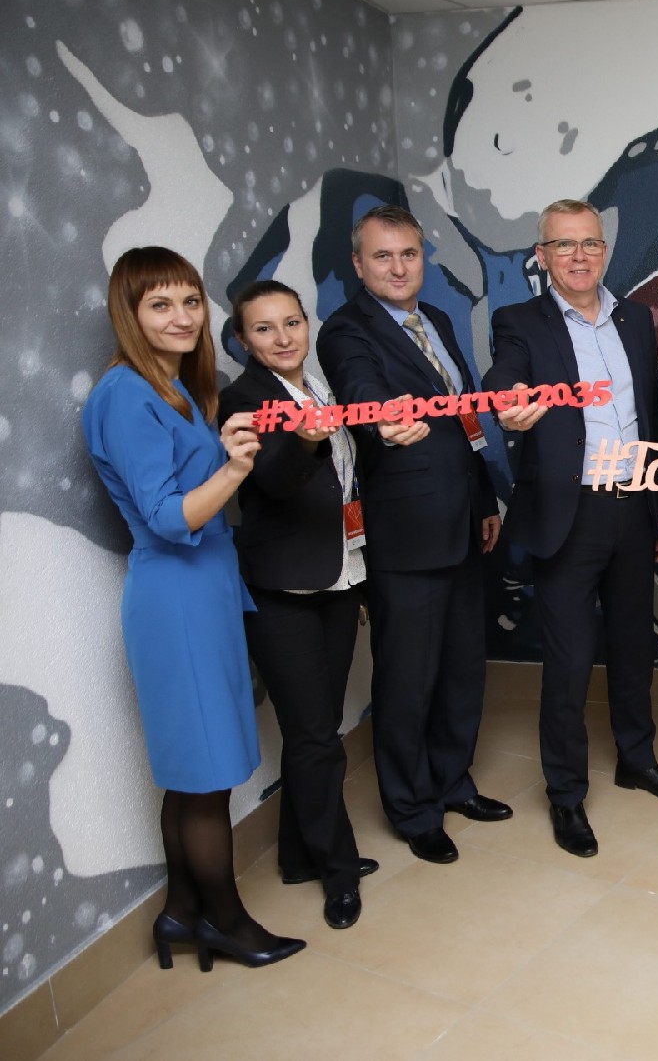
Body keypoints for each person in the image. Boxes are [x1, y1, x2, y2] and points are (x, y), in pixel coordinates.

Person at [82, 246, 304, 970]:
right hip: (176, 598)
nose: (181, 317)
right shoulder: (126, 394)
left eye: (188, 301)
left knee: (192, 770)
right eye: (160, 305)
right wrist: (236, 467)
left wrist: (232, 446)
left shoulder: (172, 388)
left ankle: (181, 914)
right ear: (130, 314)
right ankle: (227, 924)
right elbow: (168, 517)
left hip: (202, 590)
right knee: (205, 775)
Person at [483, 199, 658, 860]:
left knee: (634, 647)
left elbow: (652, 412)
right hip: (568, 513)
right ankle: (566, 794)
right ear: (542, 256)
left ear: (604, 251)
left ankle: (637, 759)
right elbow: (504, 376)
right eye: (564, 245)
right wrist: (508, 401)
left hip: (634, 505)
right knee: (571, 662)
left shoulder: (634, 318)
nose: (579, 256)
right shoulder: (519, 321)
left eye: (590, 244)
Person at [316, 204, 511, 866]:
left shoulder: (438, 321)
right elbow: (362, 393)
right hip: (406, 534)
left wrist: (483, 497)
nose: (398, 268)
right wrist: (384, 418)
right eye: (383, 256)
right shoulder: (346, 331)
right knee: (407, 679)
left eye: (408, 254)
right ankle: (412, 808)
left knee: (461, 669)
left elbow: (464, 423)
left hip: (463, 521)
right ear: (358, 264)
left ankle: (452, 782)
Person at [218, 280, 376, 929]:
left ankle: (295, 854)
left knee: (318, 728)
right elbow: (274, 482)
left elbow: (345, 478)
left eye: (292, 322)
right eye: (264, 328)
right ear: (242, 339)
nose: (283, 338)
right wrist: (308, 440)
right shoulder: (242, 399)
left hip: (337, 577)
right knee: (315, 736)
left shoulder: (318, 386)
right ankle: (338, 871)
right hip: (281, 588)